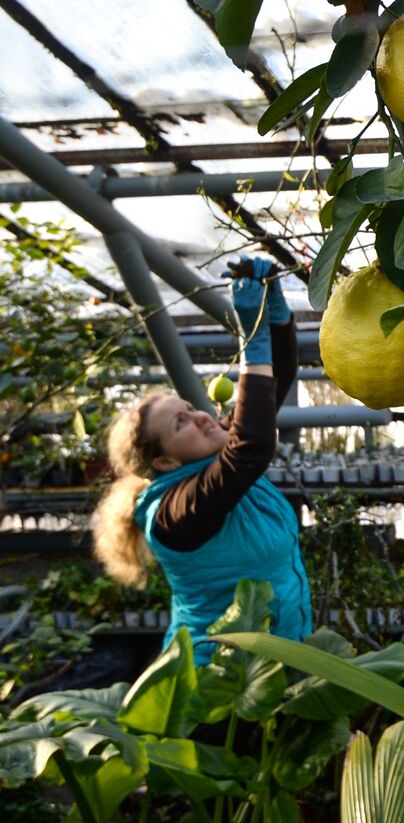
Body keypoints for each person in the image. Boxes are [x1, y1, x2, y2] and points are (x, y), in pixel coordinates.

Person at [92, 257, 311, 665]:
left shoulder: (215, 458)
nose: (201, 416)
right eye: (181, 423)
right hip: (213, 691)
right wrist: (251, 341)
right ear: (164, 463)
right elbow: (252, 447)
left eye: (191, 407)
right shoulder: (174, 512)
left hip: (271, 669)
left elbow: (268, 390)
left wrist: (275, 316)